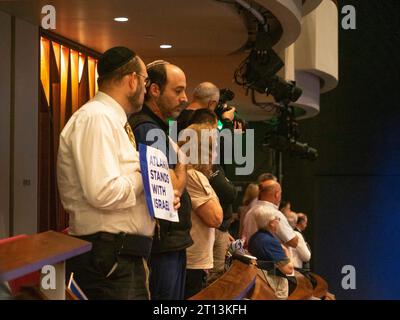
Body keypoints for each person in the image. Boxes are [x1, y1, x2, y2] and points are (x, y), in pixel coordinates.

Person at [57, 47, 176, 300]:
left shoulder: (115, 121)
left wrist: (158, 195)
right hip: (109, 257)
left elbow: (124, 183)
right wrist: (144, 176)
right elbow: (102, 192)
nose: (145, 88)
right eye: (145, 81)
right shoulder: (95, 119)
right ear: (132, 80)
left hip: (123, 255)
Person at [129, 60, 192, 300]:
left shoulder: (158, 128)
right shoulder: (146, 128)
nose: (185, 98)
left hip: (169, 241)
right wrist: (183, 159)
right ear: (154, 90)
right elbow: (171, 188)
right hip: (161, 245)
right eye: (178, 91)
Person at [182, 123, 223, 298]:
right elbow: (216, 218)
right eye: (213, 147)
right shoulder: (193, 175)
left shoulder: (190, 173)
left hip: (193, 260)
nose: (215, 154)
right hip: (192, 262)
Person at [248, 205, 294, 300]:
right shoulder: (270, 242)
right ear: (272, 223)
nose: (278, 222)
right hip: (274, 292)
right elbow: (288, 269)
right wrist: (286, 251)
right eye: (277, 219)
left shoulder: (254, 238)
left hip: (261, 286)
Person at [241, 176, 298, 249]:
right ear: (277, 194)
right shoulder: (275, 214)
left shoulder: (250, 212)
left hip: (252, 258)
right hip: (273, 259)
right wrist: (297, 235)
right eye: (280, 193)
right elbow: (294, 242)